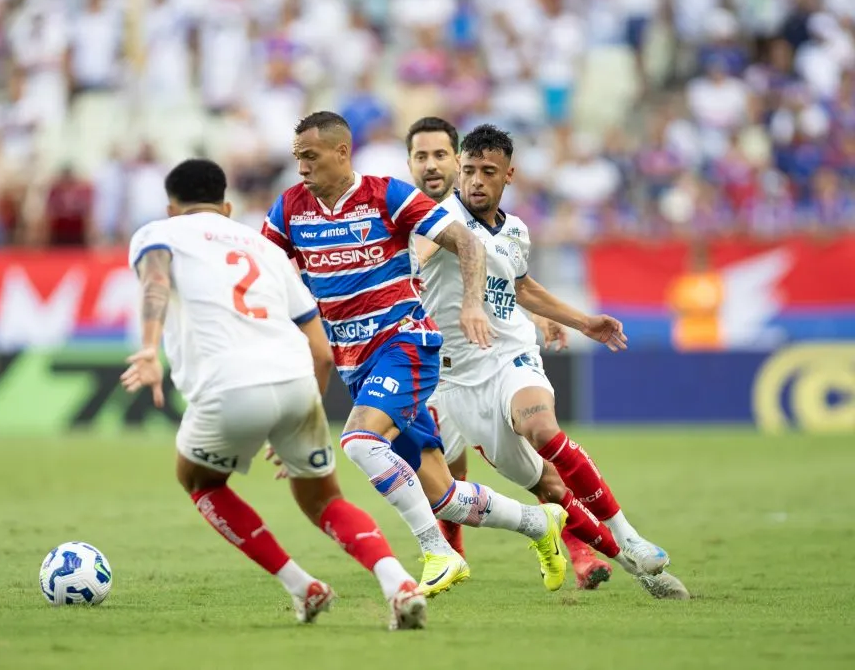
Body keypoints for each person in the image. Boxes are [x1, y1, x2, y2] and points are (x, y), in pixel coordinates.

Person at [261, 111, 569, 598]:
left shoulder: (387, 195)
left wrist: (471, 304)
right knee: (442, 495)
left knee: (360, 441)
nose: (301, 168)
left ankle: (437, 553)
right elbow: (266, 278)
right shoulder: (289, 209)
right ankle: (538, 524)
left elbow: (465, 240)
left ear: (342, 152)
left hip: (405, 342)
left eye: (310, 157)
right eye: (297, 158)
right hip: (354, 362)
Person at [121, 158, 429, 630]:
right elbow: (321, 352)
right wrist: (300, 417)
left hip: (229, 384)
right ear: (225, 206)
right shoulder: (259, 245)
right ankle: (398, 582)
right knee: (324, 499)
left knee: (201, 481)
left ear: (171, 207)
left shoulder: (158, 233)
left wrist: (147, 348)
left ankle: (303, 586)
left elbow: (156, 278)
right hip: (296, 381)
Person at [407, 118, 689, 599]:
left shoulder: (515, 230)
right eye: (469, 170)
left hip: (511, 356)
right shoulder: (433, 223)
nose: (476, 180)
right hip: (456, 380)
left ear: (509, 175)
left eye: (487, 171)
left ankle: (629, 537)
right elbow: (424, 252)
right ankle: (634, 566)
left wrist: (581, 321)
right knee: (550, 488)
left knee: (543, 429)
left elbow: (519, 286)